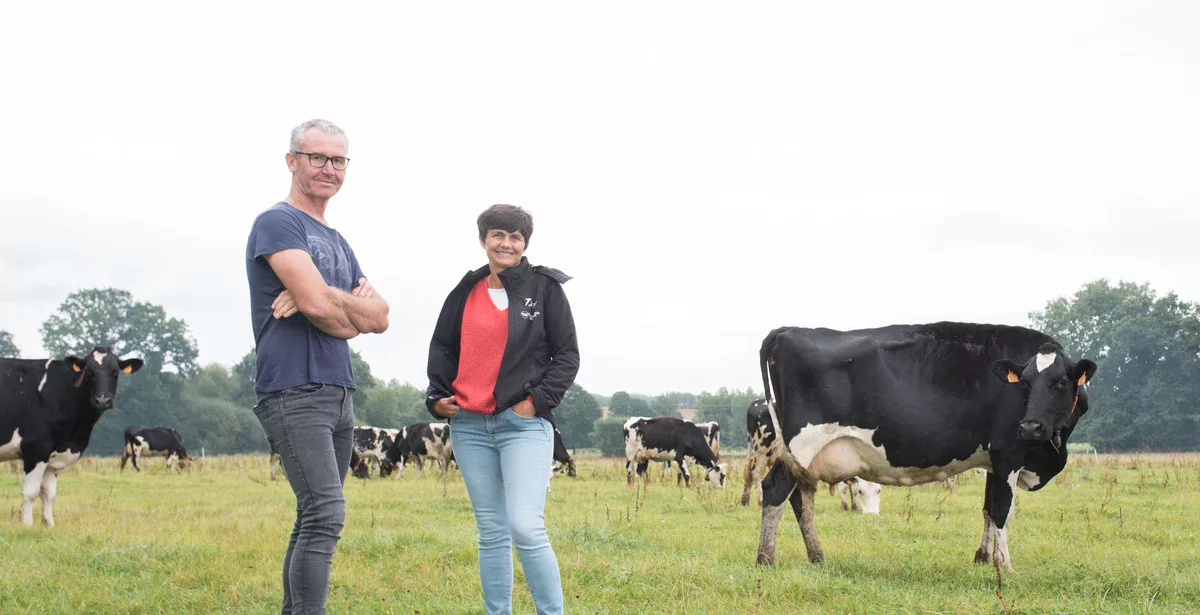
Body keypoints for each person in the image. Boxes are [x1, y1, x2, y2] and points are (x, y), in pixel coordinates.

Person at [245, 119, 389, 615]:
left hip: (339, 391)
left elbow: (381, 316)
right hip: (293, 389)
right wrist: (337, 307)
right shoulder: (277, 223)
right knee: (325, 513)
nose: (329, 169)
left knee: (313, 515)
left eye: (338, 160)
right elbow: (331, 309)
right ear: (292, 161)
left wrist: (326, 300)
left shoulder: (336, 240)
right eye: (317, 158)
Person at [426, 204, 579, 615]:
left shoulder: (545, 289)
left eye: (515, 237)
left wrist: (536, 403)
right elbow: (443, 348)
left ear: (525, 243)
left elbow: (567, 355)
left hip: (523, 426)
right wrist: (435, 397)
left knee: (525, 527)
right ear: (483, 240)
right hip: (470, 427)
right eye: (498, 235)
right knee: (491, 531)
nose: (506, 243)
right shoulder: (465, 291)